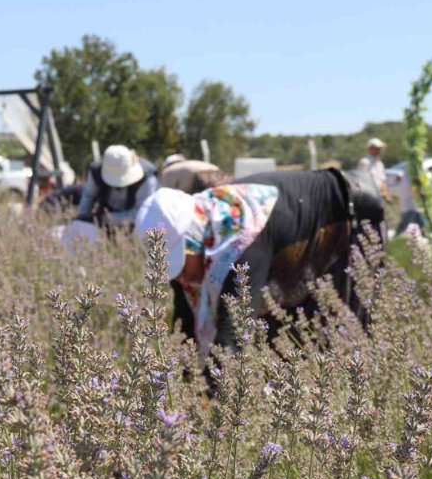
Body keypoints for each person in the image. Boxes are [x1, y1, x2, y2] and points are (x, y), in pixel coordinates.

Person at [135, 168, 384, 363]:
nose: (180, 277)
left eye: (179, 266)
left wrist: (210, 412)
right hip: (292, 247)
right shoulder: (204, 231)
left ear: (194, 243)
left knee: (343, 344)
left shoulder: (240, 235)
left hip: (349, 219)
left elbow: (232, 333)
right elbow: (184, 324)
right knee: (278, 345)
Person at [76, 145, 158, 227]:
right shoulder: (96, 172)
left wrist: (108, 218)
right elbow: (88, 196)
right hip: (105, 217)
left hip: (138, 225)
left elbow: (142, 212)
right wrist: (83, 218)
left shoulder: (147, 178)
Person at [160, 153, 231, 194]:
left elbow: (166, 196)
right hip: (218, 174)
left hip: (198, 180)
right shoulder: (189, 164)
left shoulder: (168, 171)